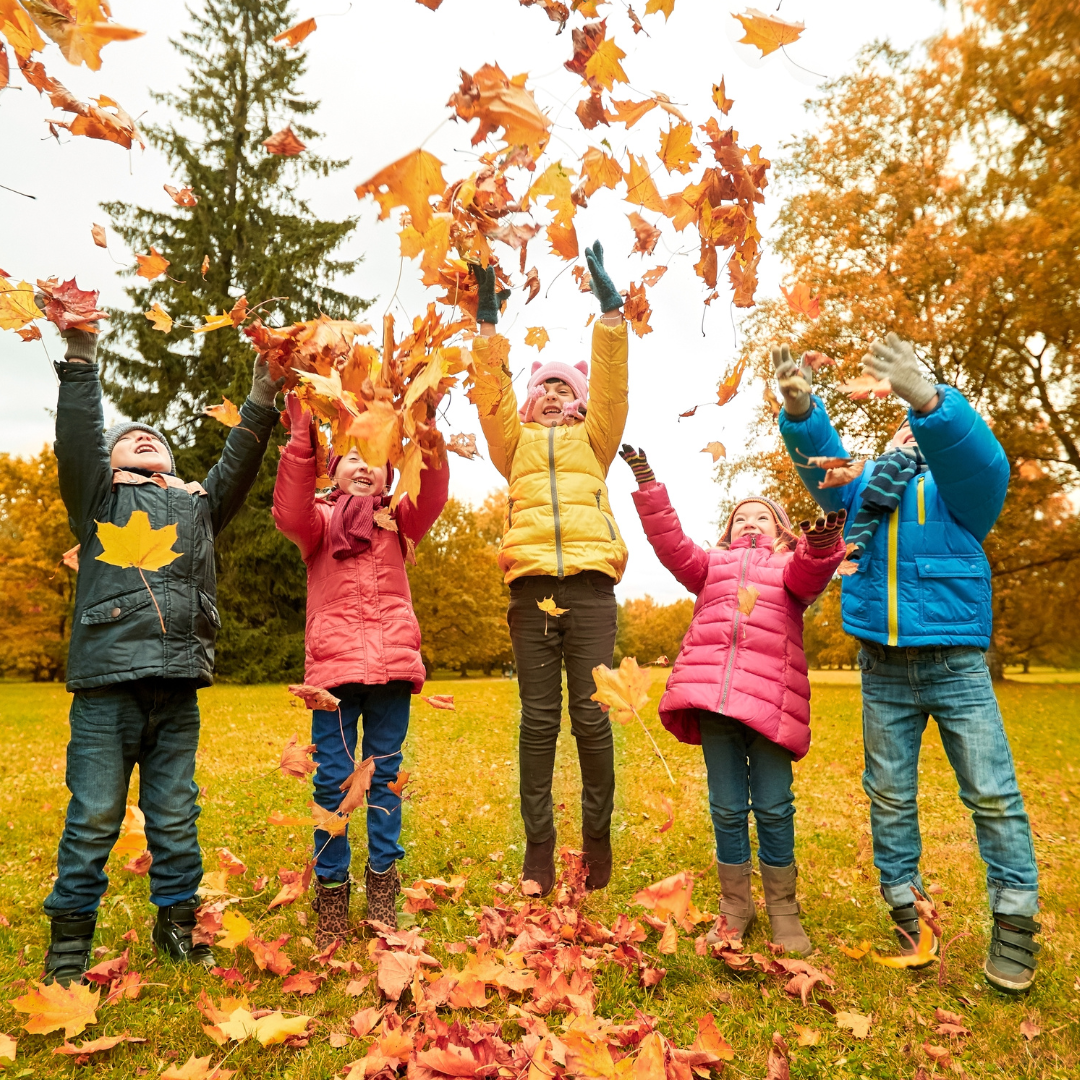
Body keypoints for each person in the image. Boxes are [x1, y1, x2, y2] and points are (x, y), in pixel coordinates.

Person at [776, 333, 1041, 991]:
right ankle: (906, 908)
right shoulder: (864, 491)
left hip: (955, 665)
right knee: (889, 796)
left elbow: (980, 460)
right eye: (903, 420)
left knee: (992, 794)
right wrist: (803, 413)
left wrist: (931, 400)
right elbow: (822, 469)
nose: (908, 429)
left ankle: (1013, 924)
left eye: (920, 419)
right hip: (882, 668)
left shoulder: (964, 492)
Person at [43, 320, 283, 986]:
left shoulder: (198, 508)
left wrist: (262, 394)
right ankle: (68, 948)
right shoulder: (99, 500)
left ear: (175, 466)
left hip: (176, 687)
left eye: (155, 439)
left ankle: (178, 929)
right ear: (112, 462)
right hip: (105, 687)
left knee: (176, 815)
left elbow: (237, 463)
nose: (141, 436)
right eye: (128, 439)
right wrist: (83, 358)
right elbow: (80, 440)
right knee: (93, 815)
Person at [622, 447, 846, 953]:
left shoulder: (789, 567)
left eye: (761, 516)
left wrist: (822, 544)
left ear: (782, 530)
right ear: (726, 531)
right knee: (726, 808)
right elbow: (672, 544)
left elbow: (812, 572)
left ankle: (784, 910)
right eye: (740, 516)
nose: (750, 522)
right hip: (716, 703)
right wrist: (648, 484)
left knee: (773, 806)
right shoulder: (710, 566)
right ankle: (735, 907)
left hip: (770, 705)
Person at [469, 242, 628, 896]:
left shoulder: (597, 440)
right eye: (546, 388)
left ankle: (596, 840)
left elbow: (614, 387)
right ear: (531, 403)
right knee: (539, 720)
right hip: (532, 589)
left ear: (581, 400)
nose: (556, 394)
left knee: (591, 717)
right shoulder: (515, 445)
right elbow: (491, 400)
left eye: (567, 387)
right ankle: (539, 846)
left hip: (590, 589)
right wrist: (487, 329)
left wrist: (611, 314)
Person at [272, 394, 448, 942]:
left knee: (386, 778)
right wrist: (302, 430)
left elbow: (434, 492)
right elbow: (289, 507)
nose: (364, 464)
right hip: (334, 674)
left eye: (375, 456)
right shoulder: (318, 525)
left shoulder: (399, 519)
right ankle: (331, 898)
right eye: (352, 455)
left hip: (393, 668)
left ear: (391, 470)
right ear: (334, 469)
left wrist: (426, 425)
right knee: (333, 780)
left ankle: (382, 891)